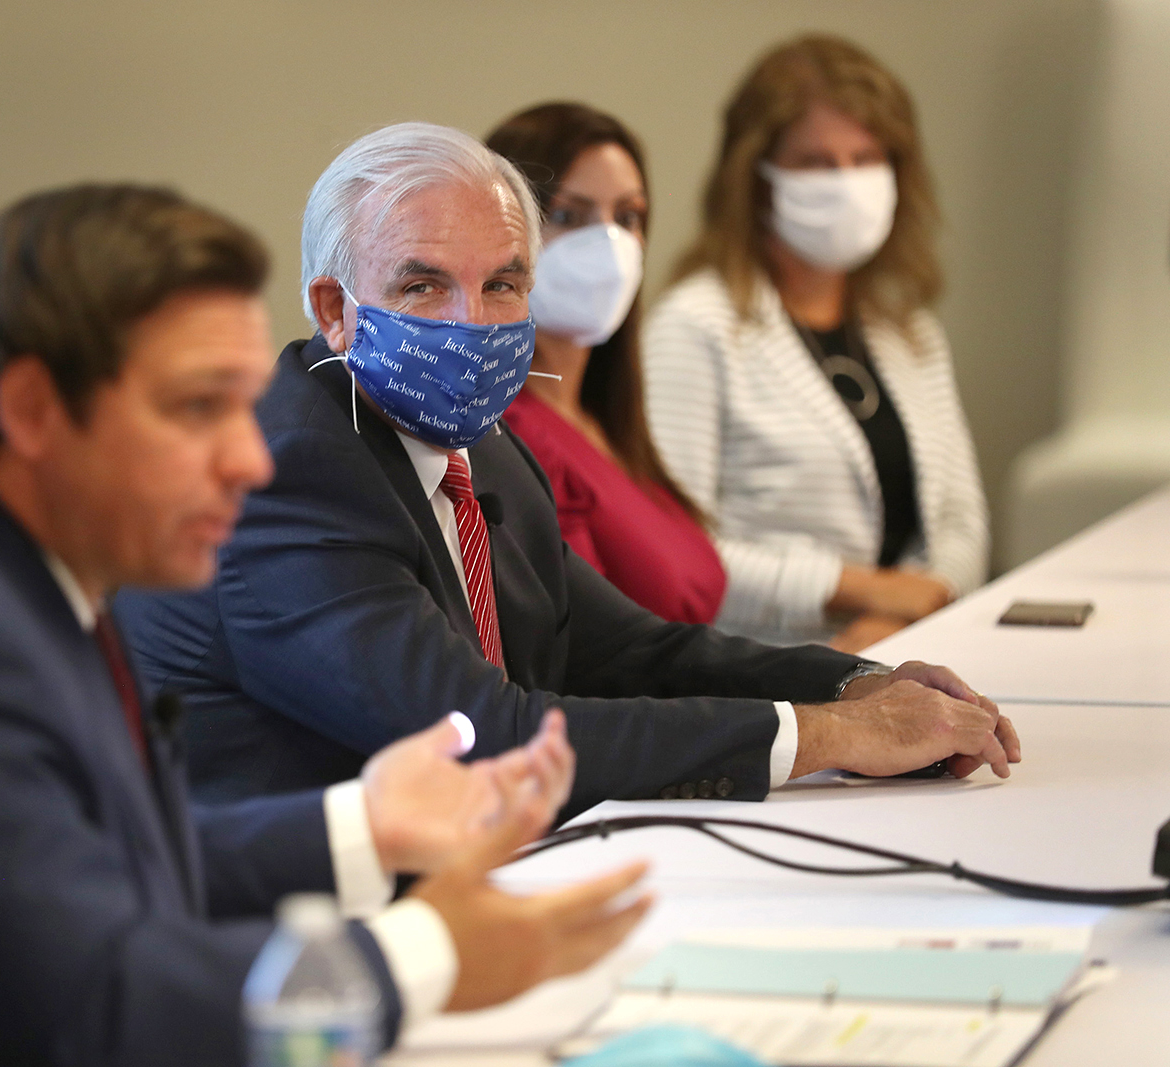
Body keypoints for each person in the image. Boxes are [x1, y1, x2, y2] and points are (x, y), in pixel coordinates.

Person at [0, 184, 656, 1066]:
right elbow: (96, 1018)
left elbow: (84, 870)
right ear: (33, 408)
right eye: (196, 408)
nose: (250, 460)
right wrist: (423, 953)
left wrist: (364, 822)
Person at [116, 122, 1018, 817]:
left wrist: (859, 686)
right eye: (423, 285)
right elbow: (479, 735)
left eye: (503, 284)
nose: (472, 324)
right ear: (334, 309)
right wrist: (829, 738)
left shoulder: (486, 444)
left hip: (491, 873)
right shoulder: (284, 473)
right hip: (300, 941)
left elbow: (629, 649)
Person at [643, 34, 989, 652]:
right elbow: (678, 552)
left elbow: (962, 524)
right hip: (764, 673)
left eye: (866, 157)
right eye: (816, 162)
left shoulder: (908, 330)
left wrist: (887, 627)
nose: (847, 183)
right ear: (755, 177)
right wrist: (860, 592)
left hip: (914, 649)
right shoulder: (693, 328)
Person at [485, 102, 724, 624]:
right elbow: (595, 653)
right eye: (569, 216)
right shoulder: (510, 432)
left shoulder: (606, 421)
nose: (609, 243)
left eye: (628, 217)